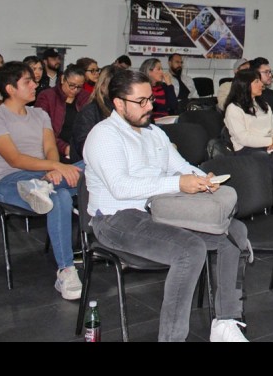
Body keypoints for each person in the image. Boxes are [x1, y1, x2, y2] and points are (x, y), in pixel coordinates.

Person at [83, 69, 249, 342]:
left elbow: (180, 166)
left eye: (150, 99)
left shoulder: (154, 134)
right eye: (141, 101)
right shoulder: (104, 136)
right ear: (119, 103)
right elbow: (120, 187)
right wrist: (178, 184)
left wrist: (201, 178)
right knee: (189, 250)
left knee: (234, 232)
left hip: (161, 210)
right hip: (116, 219)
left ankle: (226, 321)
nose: (149, 106)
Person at [0, 61, 83, 300]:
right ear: (10, 89)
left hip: (41, 176)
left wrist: (53, 169)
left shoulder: (39, 114)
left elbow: (50, 148)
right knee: (60, 196)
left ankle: (42, 187)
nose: (34, 85)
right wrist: (55, 167)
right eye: (27, 82)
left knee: (91, 166)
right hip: (8, 180)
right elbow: (15, 159)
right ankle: (67, 270)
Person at [35, 64, 90, 160]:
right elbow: (40, 130)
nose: (75, 90)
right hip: (53, 149)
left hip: (80, 148)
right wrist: (64, 148)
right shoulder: (47, 96)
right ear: (62, 79)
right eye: (71, 85)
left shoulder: (85, 97)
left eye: (79, 87)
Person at [224, 70, 273, 154]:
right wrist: (272, 141)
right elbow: (243, 138)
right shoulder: (234, 108)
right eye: (257, 81)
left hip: (268, 146)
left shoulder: (264, 105)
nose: (261, 84)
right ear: (245, 85)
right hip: (246, 149)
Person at [70, 65, 119, 163]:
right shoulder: (89, 112)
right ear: (103, 86)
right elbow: (85, 149)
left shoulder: (125, 110)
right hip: (89, 164)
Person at [250, 57, 273, 126]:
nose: (270, 75)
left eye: (270, 72)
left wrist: (268, 113)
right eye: (266, 72)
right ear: (255, 73)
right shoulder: (251, 94)